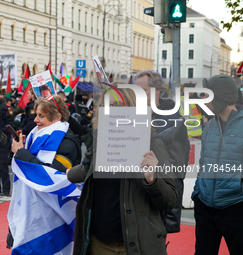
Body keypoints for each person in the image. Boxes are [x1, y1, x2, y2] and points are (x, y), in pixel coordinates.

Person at [67, 87, 177, 255]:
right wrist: (61, 174)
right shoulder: (100, 140)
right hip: (99, 242)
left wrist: (152, 180)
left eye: (116, 105)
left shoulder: (151, 143)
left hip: (137, 243)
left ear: (132, 108)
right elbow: (87, 168)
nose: (110, 111)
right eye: (106, 106)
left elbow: (170, 201)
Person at [8, 95, 81, 251]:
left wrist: (21, 153)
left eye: (41, 116)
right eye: (36, 115)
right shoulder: (36, 136)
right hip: (32, 213)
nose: (35, 120)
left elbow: (52, 176)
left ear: (57, 117)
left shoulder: (68, 142)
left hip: (55, 216)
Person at [192, 75, 243, 255]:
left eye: (207, 95)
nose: (203, 100)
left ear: (218, 97)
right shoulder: (210, 126)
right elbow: (203, 164)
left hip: (235, 207)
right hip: (205, 207)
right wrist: (197, 194)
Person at [134, 70, 189, 233]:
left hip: (158, 195)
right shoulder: (130, 115)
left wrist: (171, 211)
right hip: (134, 195)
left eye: (142, 91)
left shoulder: (174, 121)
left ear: (157, 90)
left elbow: (177, 166)